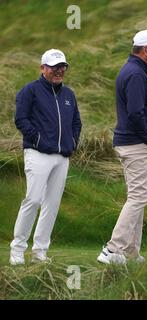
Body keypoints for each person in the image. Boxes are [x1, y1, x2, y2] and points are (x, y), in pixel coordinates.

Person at [97, 30, 147, 265]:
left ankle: (130, 252)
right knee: (138, 198)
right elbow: (136, 112)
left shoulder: (134, 70)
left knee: (137, 197)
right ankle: (113, 249)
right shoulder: (136, 74)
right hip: (137, 144)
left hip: (133, 143)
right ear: (145, 50)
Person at [10, 49, 82, 265]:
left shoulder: (69, 94)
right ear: (43, 68)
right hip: (37, 153)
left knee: (52, 204)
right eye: (53, 67)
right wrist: (40, 140)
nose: (59, 71)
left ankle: (40, 252)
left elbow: (76, 123)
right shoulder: (30, 91)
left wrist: (72, 142)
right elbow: (21, 119)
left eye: (62, 67)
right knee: (32, 200)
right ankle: (17, 249)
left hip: (62, 157)